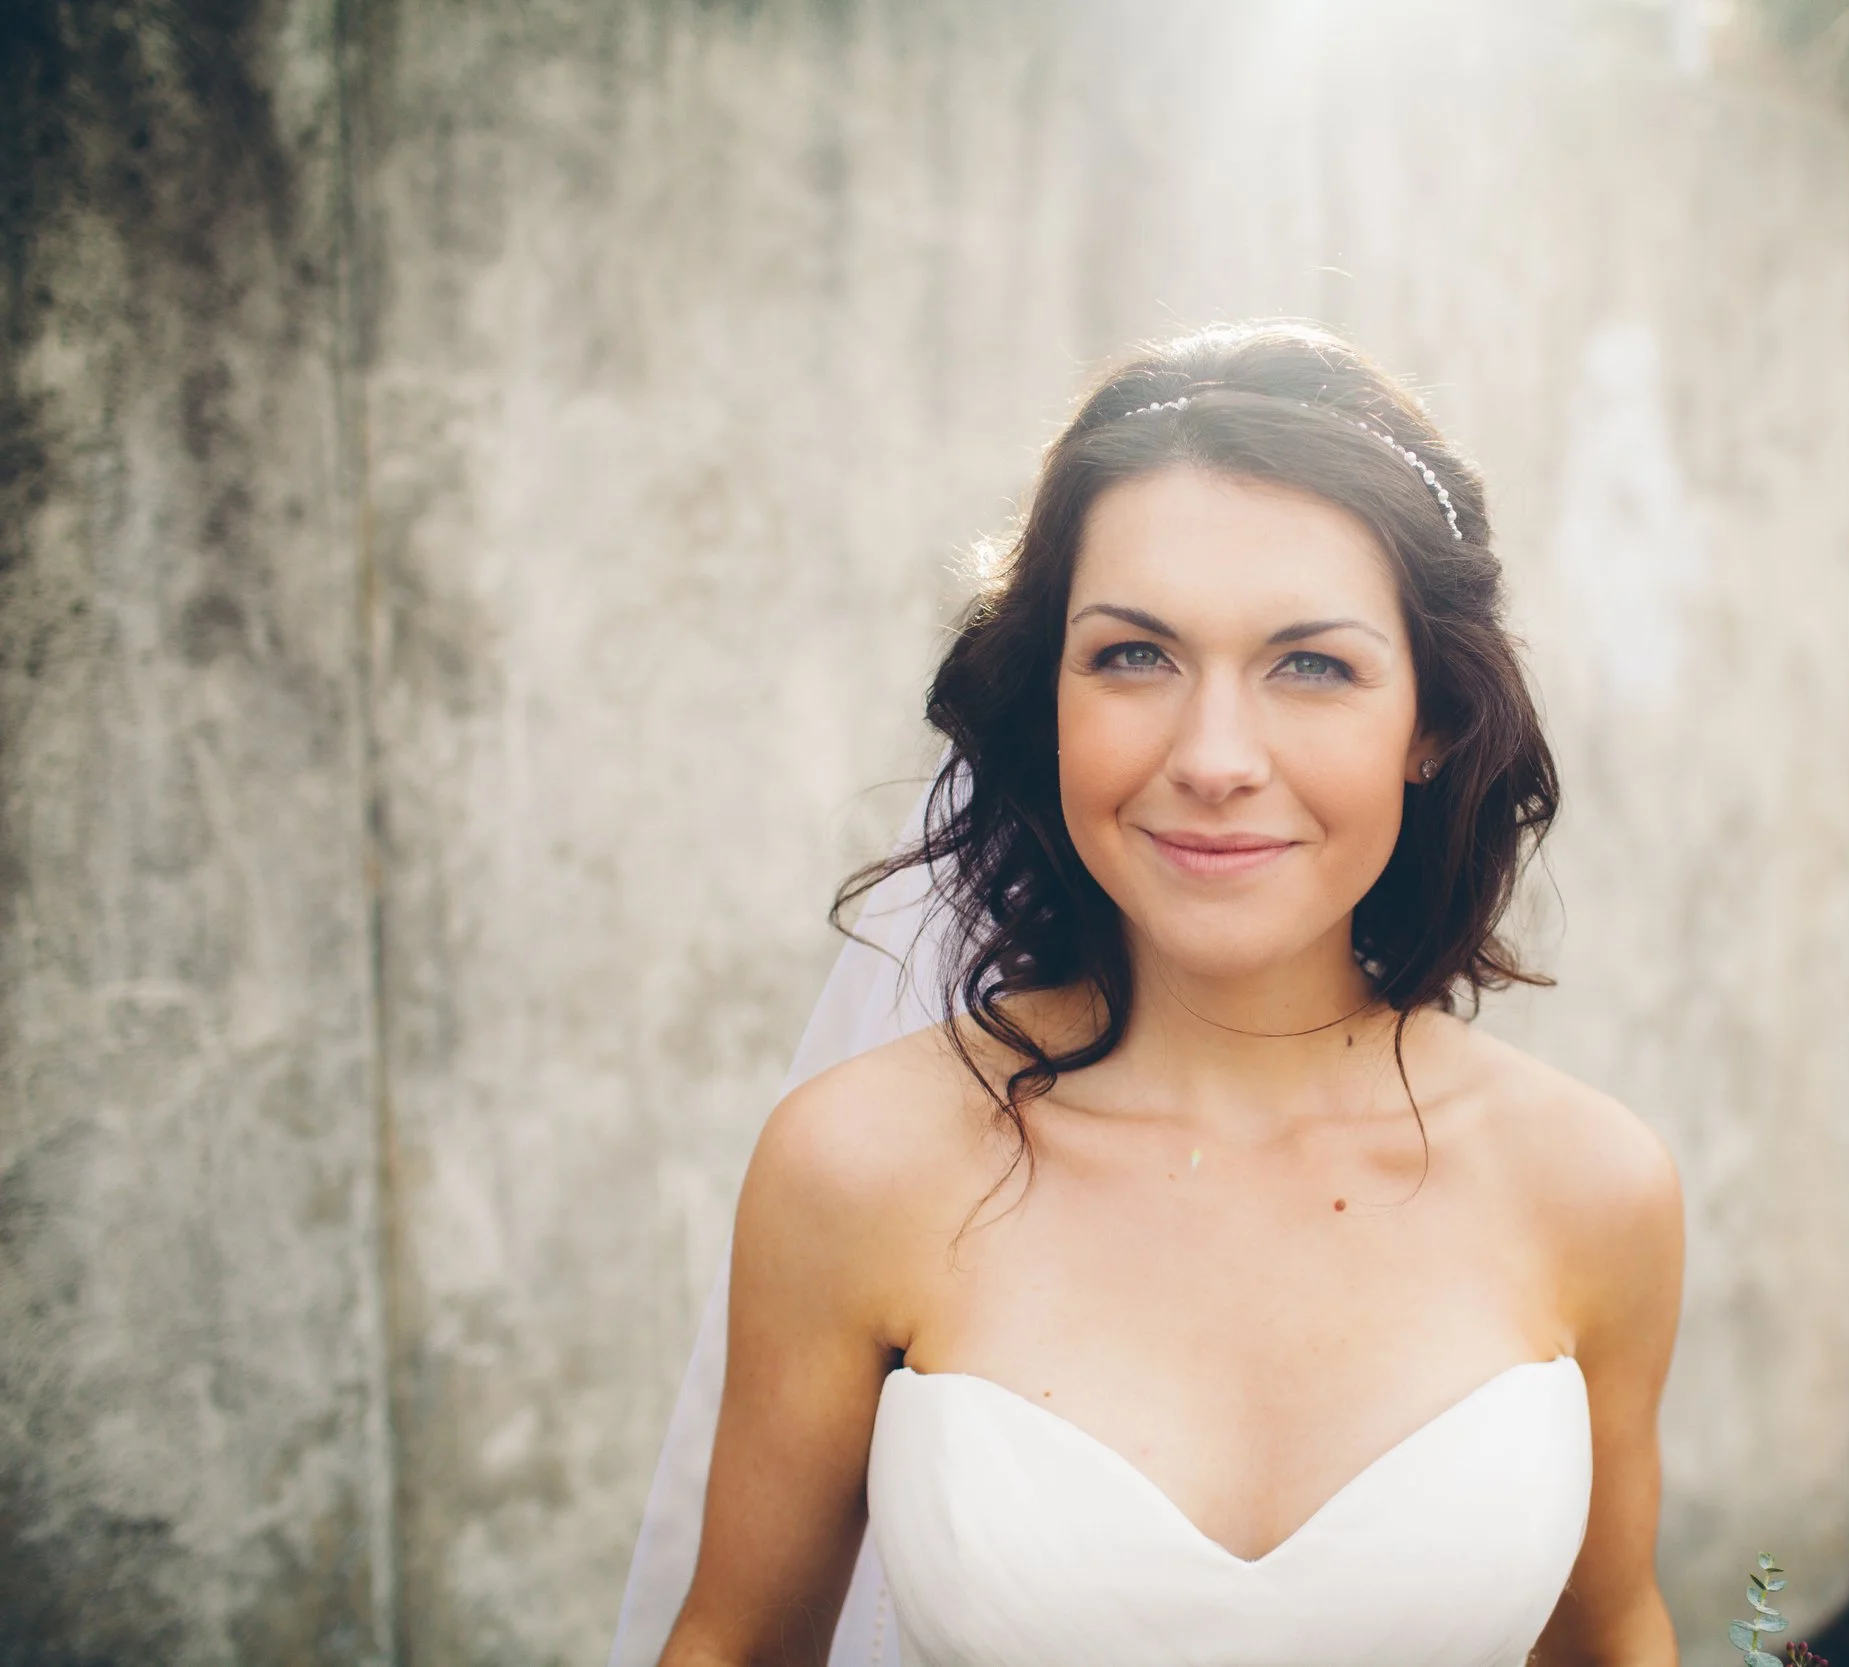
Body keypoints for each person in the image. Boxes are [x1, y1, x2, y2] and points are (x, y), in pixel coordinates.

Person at [641, 323, 1687, 1667]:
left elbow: (1611, 1639)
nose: (1213, 756)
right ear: (1050, 699)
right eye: (1135, 654)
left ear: (1431, 718)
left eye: (1313, 663)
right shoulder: (856, 1169)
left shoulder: (1592, 1187)